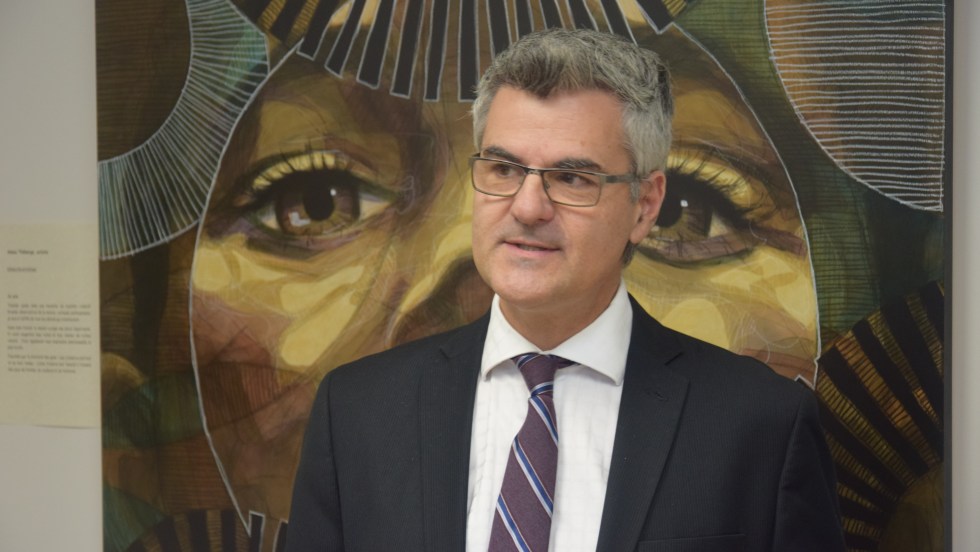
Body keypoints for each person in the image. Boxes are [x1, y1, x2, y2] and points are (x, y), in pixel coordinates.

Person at [283, 28, 844, 552]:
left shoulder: (762, 426)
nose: (528, 208)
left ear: (645, 206)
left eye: (572, 178)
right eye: (504, 169)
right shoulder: (357, 411)